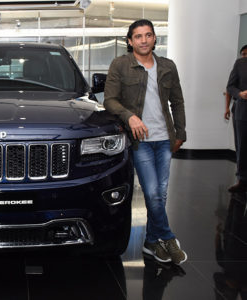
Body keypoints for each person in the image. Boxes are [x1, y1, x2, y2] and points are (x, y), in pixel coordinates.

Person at [103, 19, 187, 265]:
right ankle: (168, 237)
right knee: (152, 192)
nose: (143, 40)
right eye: (138, 36)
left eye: (148, 35)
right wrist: (131, 118)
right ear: (130, 41)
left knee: (159, 193)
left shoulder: (167, 67)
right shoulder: (120, 65)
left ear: (154, 38)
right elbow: (110, 100)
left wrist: (180, 132)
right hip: (140, 141)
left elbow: (177, 102)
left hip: (164, 138)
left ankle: (152, 242)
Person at [226, 45, 247, 192]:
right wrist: (240, 94)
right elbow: (230, 86)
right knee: (242, 147)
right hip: (243, 112)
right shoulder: (240, 64)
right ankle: (242, 180)